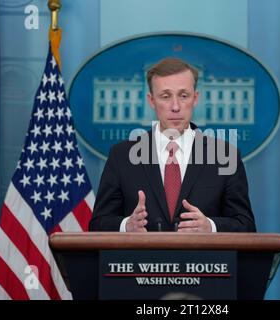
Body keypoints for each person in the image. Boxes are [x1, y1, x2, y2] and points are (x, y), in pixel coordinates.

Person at [89, 57, 256, 232]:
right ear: (152, 100)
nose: (175, 107)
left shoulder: (225, 155)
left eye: (184, 96)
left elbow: (246, 225)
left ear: (195, 98)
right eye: (165, 96)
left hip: (203, 259)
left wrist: (211, 227)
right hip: (141, 259)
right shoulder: (121, 156)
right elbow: (98, 224)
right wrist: (126, 225)